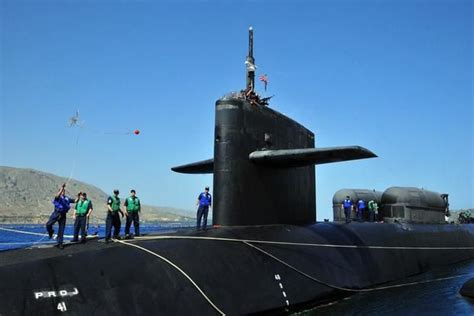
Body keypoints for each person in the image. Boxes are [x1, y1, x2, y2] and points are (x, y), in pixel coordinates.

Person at [46, 183, 78, 249]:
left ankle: (60, 243)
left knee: (61, 229)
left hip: (63, 215)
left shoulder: (67, 198)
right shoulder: (57, 197)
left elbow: (75, 200)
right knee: (48, 224)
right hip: (56, 213)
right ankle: (51, 232)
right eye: (62, 191)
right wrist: (62, 188)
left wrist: (79, 195)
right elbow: (57, 195)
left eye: (64, 191)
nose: (63, 192)